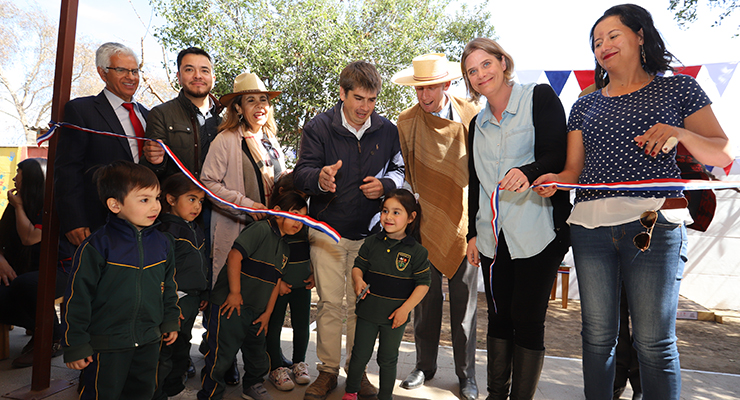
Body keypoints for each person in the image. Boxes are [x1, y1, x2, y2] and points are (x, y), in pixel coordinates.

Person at [533, 5, 733, 399]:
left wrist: (680, 133)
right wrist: (553, 180)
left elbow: (722, 153)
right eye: (596, 42)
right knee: (596, 337)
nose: (603, 46)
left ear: (640, 36)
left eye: (612, 36)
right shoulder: (584, 104)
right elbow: (574, 172)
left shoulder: (678, 88)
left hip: (654, 226)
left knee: (654, 341)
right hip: (590, 229)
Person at [462, 38, 571, 400]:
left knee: (527, 317)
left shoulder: (538, 97)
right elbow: (476, 181)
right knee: (498, 316)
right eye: (472, 71)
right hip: (493, 236)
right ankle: (497, 394)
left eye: (486, 64)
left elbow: (558, 152)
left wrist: (531, 170)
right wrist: (472, 236)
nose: (481, 74)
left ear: (503, 62)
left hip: (538, 229)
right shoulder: (476, 124)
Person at [293, 60, 405, 400]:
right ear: (342, 93)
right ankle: (326, 372)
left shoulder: (387, 130)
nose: (364, 108)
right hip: (327, 231)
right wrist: (321, 179)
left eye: (371, 100)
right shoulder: (318, 127)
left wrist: (385, 185)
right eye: (358, 98)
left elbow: (400, 169)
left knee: (362, 306)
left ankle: (357, 372)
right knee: (329, 305)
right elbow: (302, 174)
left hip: (371, 236)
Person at [391, 53, 481, 400]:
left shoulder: (472, 115)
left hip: (463, 224)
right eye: (419, 89)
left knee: (465, 309)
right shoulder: (406, 121)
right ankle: (423, 366)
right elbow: (403, 176)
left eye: (430, 88)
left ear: (446, 84)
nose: (424, 96)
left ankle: (467, 375)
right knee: (424, 305)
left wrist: (477, 228)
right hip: (422, 225)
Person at [61, 161, 180, 400]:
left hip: (148, 340)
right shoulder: (97, 246)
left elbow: (168, 287)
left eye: (156, 198)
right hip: (107, 345)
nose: (155, 206)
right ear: (115, 204)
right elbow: (77, 298)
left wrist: (170, 320)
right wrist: (76, 345)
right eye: (144, 199)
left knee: (143, 393)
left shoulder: (163, 242)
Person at [198, 192, 308, 400]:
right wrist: (234, 292)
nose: (299, 222)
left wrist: (267, 313)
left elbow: (276, 283)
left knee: (257, 355)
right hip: (231, 304)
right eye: (295, 214)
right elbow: (234, 256)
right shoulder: (260, 229)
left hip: (257, 311)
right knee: (221, 355)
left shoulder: (285, 247)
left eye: (303, 218)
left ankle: (252, 385)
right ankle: (210, 394)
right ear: (276, 212)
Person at [55, 42, 149, 249]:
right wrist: (74, 220)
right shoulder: (81, 111)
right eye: (122, 70)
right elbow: (67, 169)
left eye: (134, 71)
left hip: (143, 225)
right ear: (102, 73)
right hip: (98, 223)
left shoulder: (148, 116)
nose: (131, 77)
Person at [342, 189, 431, 400]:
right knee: (359, 356)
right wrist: (358, 280)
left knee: (388, 359)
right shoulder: (371, 242)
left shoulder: (417, 252)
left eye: (396, 212)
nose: (388, 217)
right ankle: (351, 391)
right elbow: (358, 267)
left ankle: (385, 396)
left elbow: (423, 284)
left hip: (395, 318)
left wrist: (405, 310)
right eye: (385, 211)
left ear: (411, 217)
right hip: (367, 313)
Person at [0, 158, 65, 368]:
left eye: (19, 175)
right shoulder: (17, 204)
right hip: (23, 270)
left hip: (60, 270)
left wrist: (18, 207)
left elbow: (29, 238)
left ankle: (52, 337)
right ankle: (39, 330)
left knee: (26, 285)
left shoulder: (51, 206)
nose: (14, 179)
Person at [152, 173, 209, 399]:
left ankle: (174, 387)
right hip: (173, 300)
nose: (197, 206)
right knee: (165, 349)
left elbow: (202, 263)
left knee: (182, 345)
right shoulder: (165, 229)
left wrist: (203, 290)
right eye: (191, 199)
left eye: (201, 201)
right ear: (171, 199)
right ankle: (158, 392)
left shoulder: (195, 228)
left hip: (192, 299)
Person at [265, 173, 315, 391]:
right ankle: (276, 367)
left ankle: (299, 363)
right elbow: (266, 261)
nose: (299, 220)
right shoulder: (273, 230)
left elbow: (314, 252)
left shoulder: (305, 228)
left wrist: (314, 274)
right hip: (279, 288)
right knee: (274, 324)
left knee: (302, 325)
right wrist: (279, 282)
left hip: (302, 286)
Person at [141, 46, 221, 181]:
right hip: (178, 200)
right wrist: (155, 161)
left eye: (204, 70)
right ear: (179, 77)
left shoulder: (225, 121)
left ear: (213, 79)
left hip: (221, 200)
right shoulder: (161, 114)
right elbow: (151, 173)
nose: (198, 75)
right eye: (189, 69)